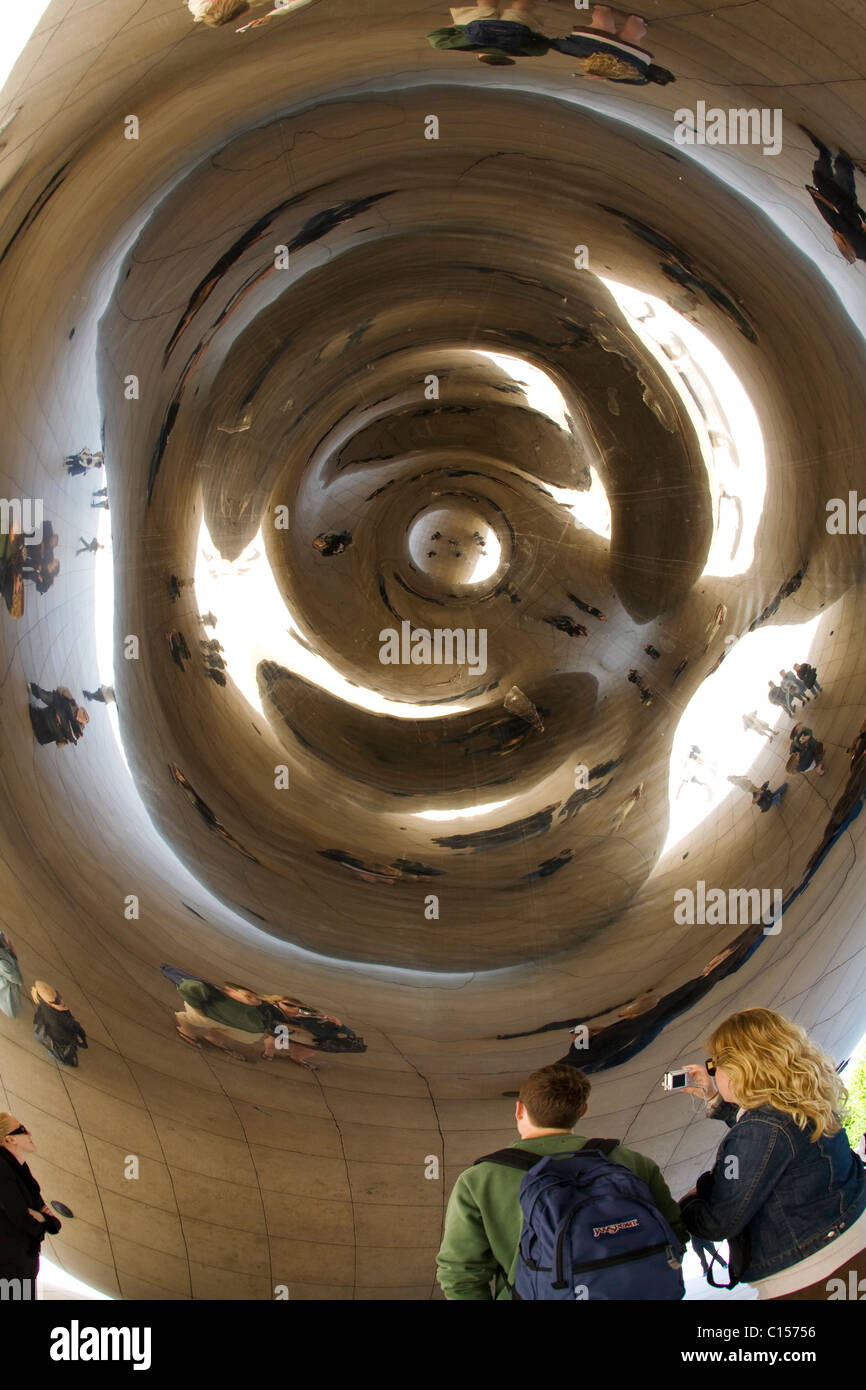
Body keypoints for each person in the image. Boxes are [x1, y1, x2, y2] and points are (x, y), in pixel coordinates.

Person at [436, 1064, 687, 1298]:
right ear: (582, 1110)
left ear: (519, 1109)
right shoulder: (633, 1163)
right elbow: (675, 1234)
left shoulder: (479, 1181)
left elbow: (461, 1274)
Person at [675, 1009, 866, 1299]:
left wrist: (688, 1203)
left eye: (715, 1064)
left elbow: (719, 1222)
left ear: (742, 1066)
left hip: (812, 1276)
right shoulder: (806, 1097)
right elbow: (775, 1140)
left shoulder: (758, 1130)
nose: (714, 1072)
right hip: (852, 1242)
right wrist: (714, 1097)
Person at [0, 1114, 62, 1292]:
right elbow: (21, 1218)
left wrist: (41, 1218)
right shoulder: (2, 1169)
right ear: (10, 1139)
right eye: (22, 1130)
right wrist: (42, 1221)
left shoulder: (23, 1172)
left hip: (23, 1267)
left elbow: (55, 1224)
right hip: (8, 1269)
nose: (29, 1133)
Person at [802, 128, 866, 264]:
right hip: (843, 204)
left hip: (843, 205)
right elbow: (841, 225)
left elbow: (842, 225)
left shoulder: (858, 251)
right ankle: (837, 158)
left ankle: (826, 154)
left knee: (828, 178)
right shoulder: (858, 250)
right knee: (839, 177)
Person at [31, 983, 88, 1066]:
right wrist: (76, 1038)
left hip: (43, 1032)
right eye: (57, 1001)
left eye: (58, 996)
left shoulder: (43, 1005)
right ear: (50, 1004)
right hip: (55, 1040)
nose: (61, 1001)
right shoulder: (56, 1021)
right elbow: (64, 1038)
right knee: (60, 1055)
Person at [0, 932, 23, 1018]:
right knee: (7, 1001)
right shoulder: (2, 962)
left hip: (5, 983)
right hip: (6, 984)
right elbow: (15, 977)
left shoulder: (2, 962)